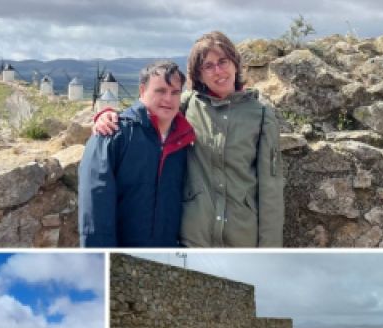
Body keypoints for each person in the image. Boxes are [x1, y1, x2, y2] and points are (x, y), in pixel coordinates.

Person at [94, 31, 284, 247]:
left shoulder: (260, 115)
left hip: (242, 236)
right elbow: (148, 110)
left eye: (223, 61)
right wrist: (108, 115)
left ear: (235, 63)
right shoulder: (186, 105)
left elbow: (271, 189)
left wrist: (269, 247)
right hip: (193, 236)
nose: (218, 71)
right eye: (208, 66)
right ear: (199, 74)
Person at [78, 60, 195, 247]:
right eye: (160, 91)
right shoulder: (112, 135)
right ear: (142, 91)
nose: (169, 99)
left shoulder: (183, 142)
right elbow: (94, 215)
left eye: (175, 92)